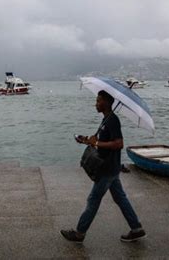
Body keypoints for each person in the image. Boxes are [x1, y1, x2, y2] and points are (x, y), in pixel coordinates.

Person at [61, 90, 146, 243]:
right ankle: (137, 228)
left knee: (93, 200)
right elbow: (100, 141)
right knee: (120, 198)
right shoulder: (106, 120)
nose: (96, 103)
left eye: (99, 100)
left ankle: (79, 233)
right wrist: (86, 140)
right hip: (111, 168)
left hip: (107, 169)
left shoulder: (113, 120)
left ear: (106, 103)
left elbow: (119, 143)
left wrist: (97, 143)